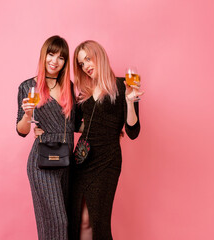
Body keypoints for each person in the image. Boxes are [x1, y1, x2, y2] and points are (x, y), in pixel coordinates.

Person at [69, 40, 143, 240]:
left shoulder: (122, 85)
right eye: (81, 63)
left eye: (88, 59)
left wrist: (129, 101)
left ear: (99, 56)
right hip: (81, 160)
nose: (86, 66)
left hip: (107, 161)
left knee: (97, 221)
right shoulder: (83, 92)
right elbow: (75, 124)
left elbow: (133, 130)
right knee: (79, 220)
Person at [16, 35, 75, 240]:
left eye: (61, 57)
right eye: (51, 54)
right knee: (58, 222)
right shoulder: (27, 86)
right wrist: (28, 116)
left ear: (65, 62)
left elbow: (75, 124)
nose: (54, 61)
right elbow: (22, 130)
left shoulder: (70, 86)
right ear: (44, 55)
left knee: (59, 224)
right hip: (42, 161)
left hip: (67, 161)